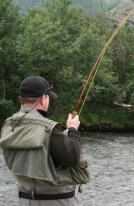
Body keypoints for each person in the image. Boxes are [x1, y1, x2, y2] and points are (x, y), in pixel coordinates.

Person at [0, 75, 82, 206]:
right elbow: (73, 157)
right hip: (57, 202)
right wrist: (72, 129)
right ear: (43, 98)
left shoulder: (7, 126)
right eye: (48, 97)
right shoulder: (49, 128)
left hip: (25, 201)